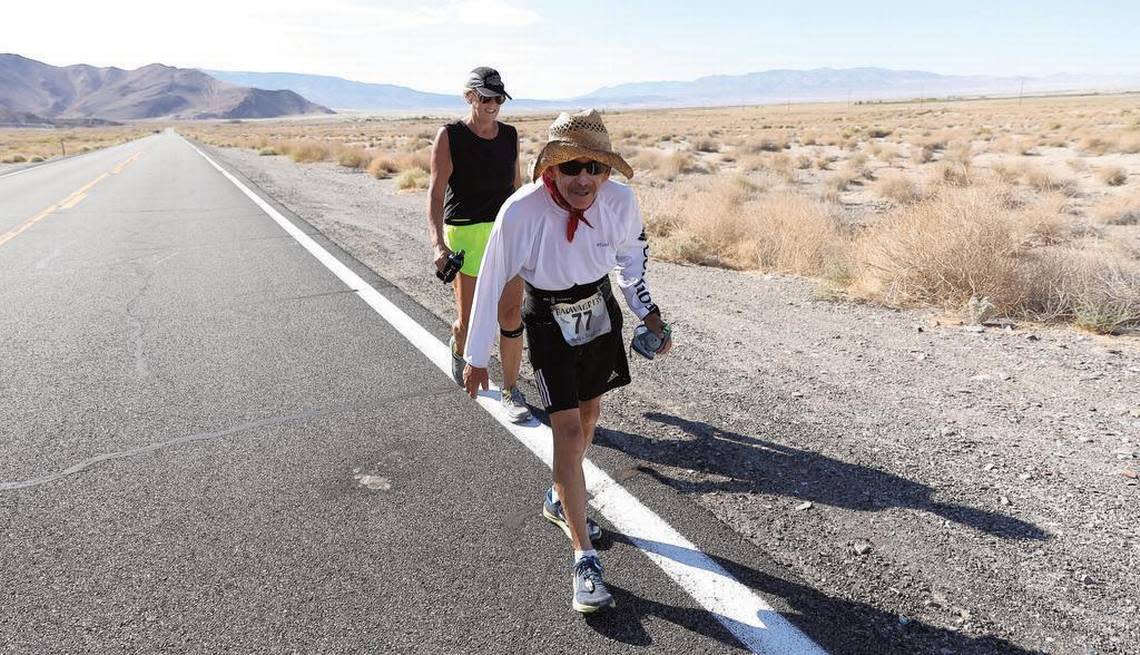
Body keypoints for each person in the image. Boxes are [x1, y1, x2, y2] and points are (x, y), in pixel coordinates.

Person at [463, 109, 672, 613]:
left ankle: (560, 494)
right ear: (552, 168)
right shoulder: (522, 211)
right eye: (571, 167)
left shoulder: (621, 202)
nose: (583, 179)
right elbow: (491, 281)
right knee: (569, 433)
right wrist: (476, 355)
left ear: (606, 170)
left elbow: (631, 263)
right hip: (548, 317)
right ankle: (584, 557)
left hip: (597, 312)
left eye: (594, 168)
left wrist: (650, 315)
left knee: (590, 416)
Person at [427, 66, 531, 423]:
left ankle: (511, 390)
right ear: (470, 96)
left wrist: (531, 234)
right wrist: (437, 244)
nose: (492, 105)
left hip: (505, 233)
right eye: (485, 97)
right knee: (471, 322)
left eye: (498, 98)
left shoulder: (510, 135)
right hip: (466, 235)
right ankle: (460, 343)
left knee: (511, 314)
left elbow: (517, 189)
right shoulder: (450, 136)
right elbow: (437, 192)